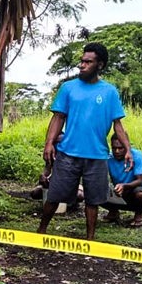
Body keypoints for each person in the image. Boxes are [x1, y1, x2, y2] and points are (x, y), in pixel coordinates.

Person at [37, 42, 133, 240]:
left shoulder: (109, 92)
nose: (82, 65)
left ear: (100, 65)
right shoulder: (68, 88)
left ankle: (90, 239)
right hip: (68, 153)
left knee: (93, 200)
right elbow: (58, 117)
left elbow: (118, 124)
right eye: (81, 61)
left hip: (97, 156)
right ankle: (41, 232)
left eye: (88, 62)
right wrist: (49, 143)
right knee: (54, 195)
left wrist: (128, 150)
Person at [101, 133, 142, 227]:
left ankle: (138, 215)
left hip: (133, 190)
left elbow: (140, 180)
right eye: (114, 148)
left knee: (140, 194)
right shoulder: (109, 157)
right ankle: (113, 211)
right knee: (95, 192)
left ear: (127, 146)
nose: (117, 151)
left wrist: (125, 186)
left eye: (121, 148)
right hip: (118, 192)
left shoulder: (136, 155)